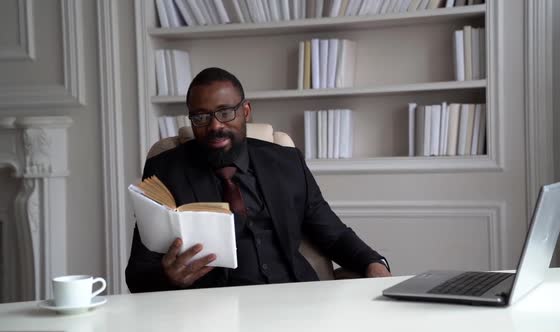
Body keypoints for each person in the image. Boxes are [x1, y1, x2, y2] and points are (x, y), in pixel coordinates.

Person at [125, 67, 390, 292]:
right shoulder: (166, 170)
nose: (215, 125)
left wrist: (373, 263)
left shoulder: (287, 162)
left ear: (246, 111)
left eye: (226, 112)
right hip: (214, 312)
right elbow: (138, 272)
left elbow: (333, 234)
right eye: (202, 116)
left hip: (296, 299)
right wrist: (168, 278)